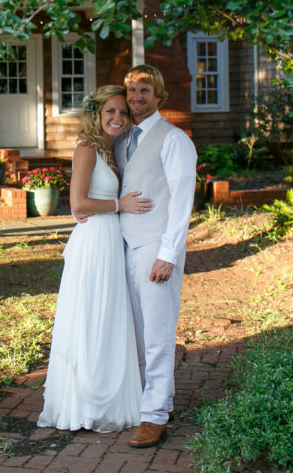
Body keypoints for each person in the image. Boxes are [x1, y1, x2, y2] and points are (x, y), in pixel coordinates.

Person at [37, 85, 153, 432]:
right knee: (90, 316)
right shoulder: (87, 149)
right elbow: (78, 205)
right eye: (111, 112)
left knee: (109, 317)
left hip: (111, 241)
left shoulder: (114, 149)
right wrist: (121, 205)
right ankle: (84, 400)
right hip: (93, 242)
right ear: (97, 115)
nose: (118, 118)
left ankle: (110, 395)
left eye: (123, 113)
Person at [116, 65, 198, 448]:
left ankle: (155, 416)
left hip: (157, 249)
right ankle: (145, 400)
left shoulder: (174, 138)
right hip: (127, 245)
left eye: (144, 90)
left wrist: (169, 253)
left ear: (159, 95)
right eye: (132, 90)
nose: (136, 97)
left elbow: (182, 201)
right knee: (135, 330)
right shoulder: (122, 139)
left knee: (158, 335)